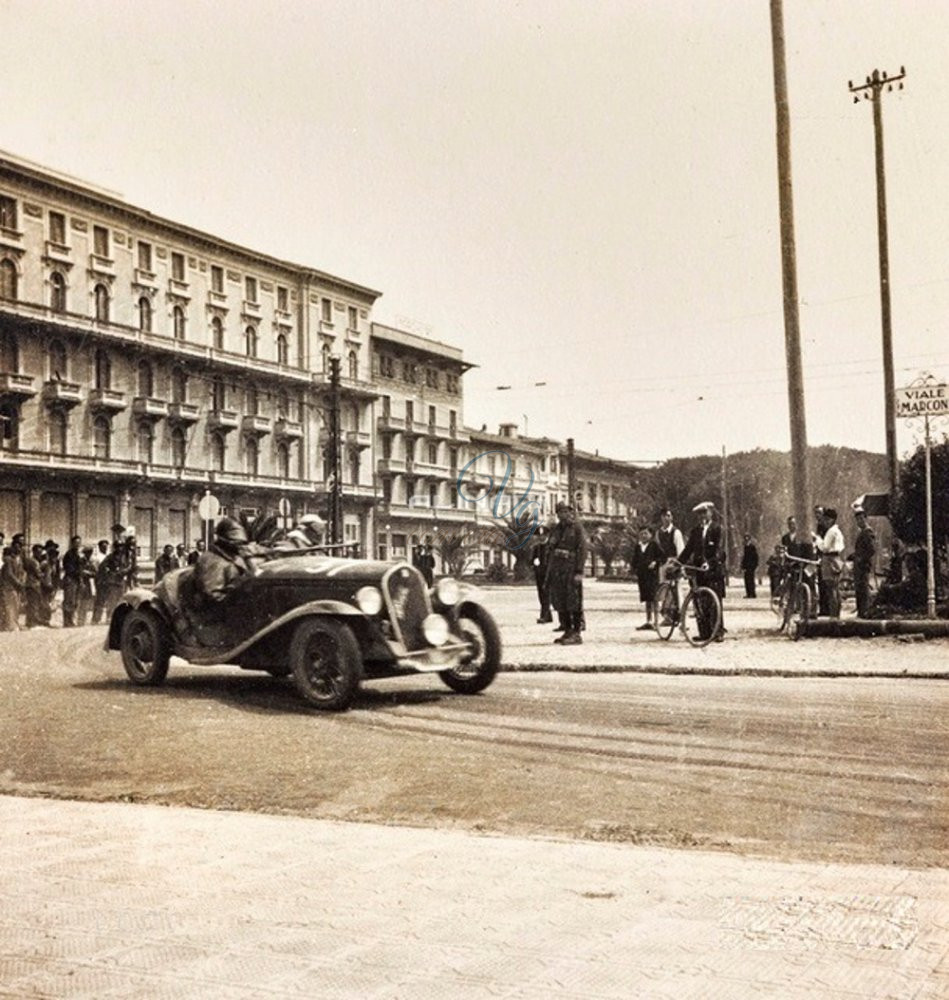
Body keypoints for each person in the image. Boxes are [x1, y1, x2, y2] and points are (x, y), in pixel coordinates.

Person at [190, 517, 254, 620]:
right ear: (224, 540)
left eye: (242, 543)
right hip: (217, 621)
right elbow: (212, 598)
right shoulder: (212, 560)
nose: (240, 546)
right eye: (236, 542)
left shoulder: (234, 557)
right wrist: (240, 585)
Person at [679, 501, 725, 641]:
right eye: (699, 513)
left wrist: (710, 563)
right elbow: (688, 550)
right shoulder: (695, 531)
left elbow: (720, 550)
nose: (702, 516)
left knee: (714, 601)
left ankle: (717, 632)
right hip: (699, 570)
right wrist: (678, 562)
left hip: (713, 571)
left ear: (711, 512)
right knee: (699, 601)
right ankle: (704, 632)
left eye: (704, 512)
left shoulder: (718, 529)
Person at [544, 503, 587, 645]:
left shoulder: (577, 528)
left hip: (571, 568)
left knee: (573, 601)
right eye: (560, 512)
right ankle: (567, 630)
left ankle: (576, 632)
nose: (564, 515)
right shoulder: (556, 529)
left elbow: (582, 549)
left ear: (571, 513)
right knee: (560, 601)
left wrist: (579, 571)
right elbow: (550, 547)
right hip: (557, 570)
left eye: (566, 512)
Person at [814, 507, 845, 618]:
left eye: (827, 519)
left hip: (829, 559)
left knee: (831, 589)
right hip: (836, 558)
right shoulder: (838, 531)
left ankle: (833, 614)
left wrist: (817, 539)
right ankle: (836, 614)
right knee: (835, 589)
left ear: (831, 520)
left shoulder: (831, 532)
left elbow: (825, 547)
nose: (825, 522)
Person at [631, 525, 662, 631]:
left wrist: (655, 562)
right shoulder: (638, 546)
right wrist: (634, 569)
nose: (643, 536)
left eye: (646, 533)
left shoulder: (654, 545)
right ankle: (648, 620)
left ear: (651, 535)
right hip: (642, 576)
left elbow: (662, 556)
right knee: (647, 598)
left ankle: (656, 621)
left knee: (654, 598)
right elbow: (634, 560)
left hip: (652, 576)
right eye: (641, 534)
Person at [851, 508, 876, 619]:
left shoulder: (868, 532)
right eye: (857, 519)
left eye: (861, 519)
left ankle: (864, 612)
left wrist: (861, 558)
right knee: (859, 588)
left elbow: (871, 550)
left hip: (863, 565)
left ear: (866, 518)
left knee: (863, 588)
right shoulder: (862, 532)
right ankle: (861, 611)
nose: (860, 521)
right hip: (859, 564)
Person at [0, 535, 26, 630]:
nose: (20, 548)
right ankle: (10, 625)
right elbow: (9, 574)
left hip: (15, 586)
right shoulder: (8, 559)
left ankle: (14, 623)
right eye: (18, 546)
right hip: (9, 586)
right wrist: (19, 583)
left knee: (15, 605)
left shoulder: (19, 558)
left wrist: (21, 581)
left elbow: (21, 571)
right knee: (9, 606)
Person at [530, 521, 553, 623]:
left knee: (547, 594)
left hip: (549, 573)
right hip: (539, 574)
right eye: (539, 536)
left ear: (547, 535)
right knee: (541, 594)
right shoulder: (536, 547)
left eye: (543, 535)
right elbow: (531, 560)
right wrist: (534, 564)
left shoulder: (551, 547)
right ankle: (547, 616)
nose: (541, 537)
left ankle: (545, 615)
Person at [61, 535, 84, 627]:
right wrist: (79, 573)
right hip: (70, 579)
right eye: (76, 543)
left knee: (74, 601)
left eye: (79, 543)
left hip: (76, 580)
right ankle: (67, 621)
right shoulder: (69, 554)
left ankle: (70, 620)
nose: (77, 544)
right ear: (72, 543)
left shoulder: (77, 554)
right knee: (69, 601)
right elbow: (69, 569)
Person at [740, 534, 759, 598]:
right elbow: (744, 558)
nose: (746, 541)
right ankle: (748, 593)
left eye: (747, 540)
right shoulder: (745, 547)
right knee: (747, 580)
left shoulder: (752, 547)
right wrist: (742, 566)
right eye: (745, 540)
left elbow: (755, 557)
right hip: (746, 567)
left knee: (751, 580)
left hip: (751, 567)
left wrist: (755, 565)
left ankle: (752, 593)